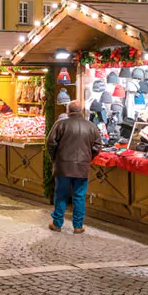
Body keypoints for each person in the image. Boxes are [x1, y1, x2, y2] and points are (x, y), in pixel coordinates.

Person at [45, 100, 102, 234]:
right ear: (82, 111)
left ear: (68, 111)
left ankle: (57, 223)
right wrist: (88, 158)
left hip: (63, 166)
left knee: (61, 195)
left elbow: (50, 143)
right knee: (79, 196)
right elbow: (97, 146)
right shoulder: (91, 126)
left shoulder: (60, 124)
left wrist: (55, 158)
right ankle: (78, 225)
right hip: (82, 167)